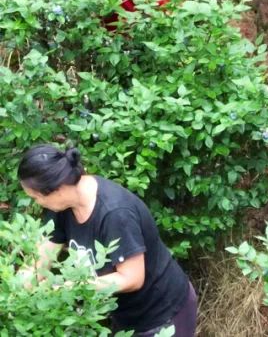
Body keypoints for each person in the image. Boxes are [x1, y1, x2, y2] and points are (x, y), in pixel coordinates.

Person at [18, 144, 197, 336]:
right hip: (123, 315)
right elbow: (41, 259)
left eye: (36, 197)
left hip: (162, 311)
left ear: (57, 188)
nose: (37, 203)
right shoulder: (63, 206)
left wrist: (68, 288)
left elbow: (132, 278)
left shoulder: (115, 213)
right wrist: (14, 293)